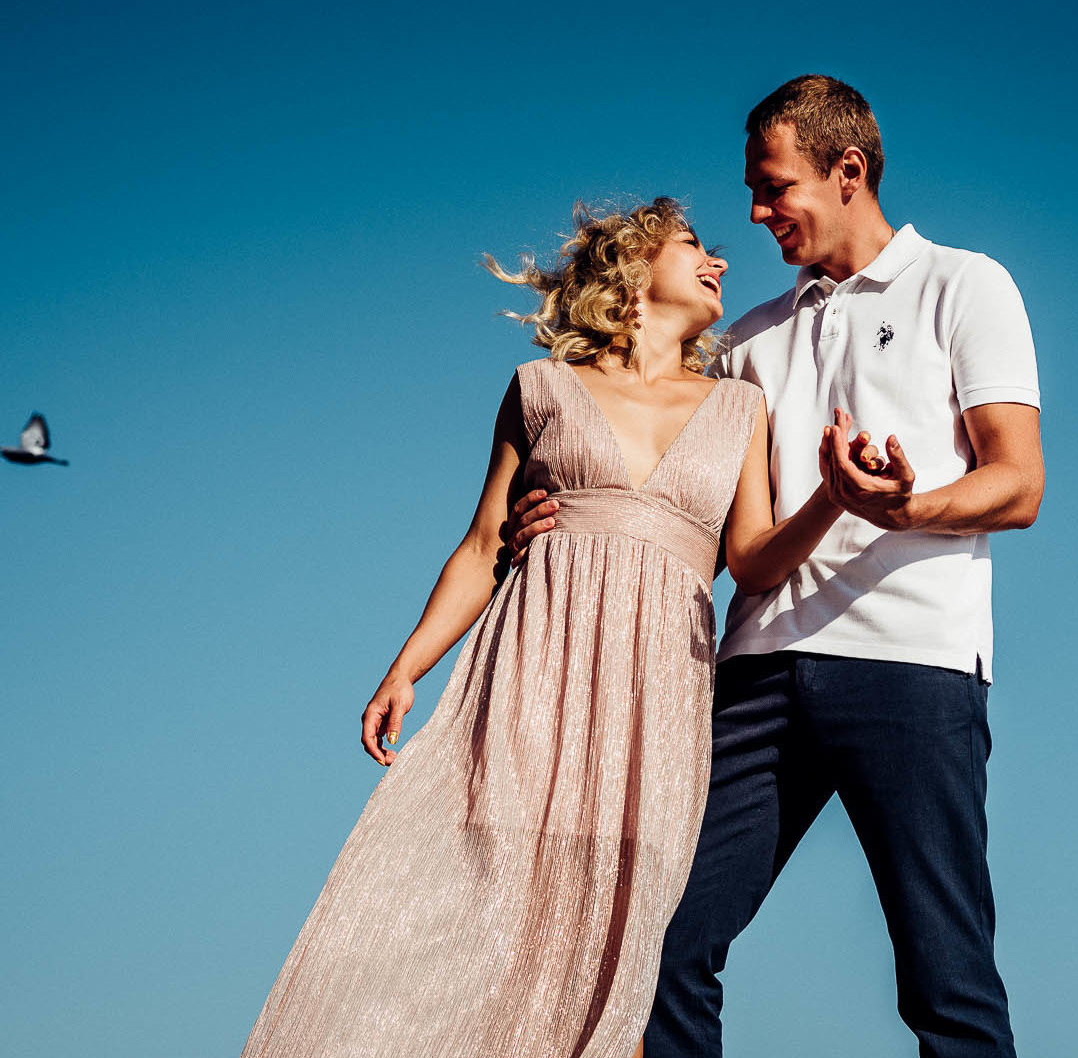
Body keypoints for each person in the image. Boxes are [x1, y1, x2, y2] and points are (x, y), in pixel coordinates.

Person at [509, 77, 1044, 1058]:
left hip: (912, 664)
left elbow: (1016, 482)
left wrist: (906, 506)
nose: (754, 215)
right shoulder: (744, 341)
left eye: (773, 186)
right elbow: (695, 510)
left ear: (847, 171)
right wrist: (561, 515)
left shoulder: (966, 285)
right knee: (660, 950)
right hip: (755, 678)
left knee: (944, 975)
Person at [241, 197, 849, 1058]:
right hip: (533, 673)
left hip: (656, 703)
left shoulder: (739, 408)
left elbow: (750, 560)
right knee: (494, 919)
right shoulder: (542, 391)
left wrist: (834, 498)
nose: (719, 262)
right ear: (633, 272)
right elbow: (486, 542)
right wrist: (405, 668)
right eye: (694, 247)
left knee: (625, 949)